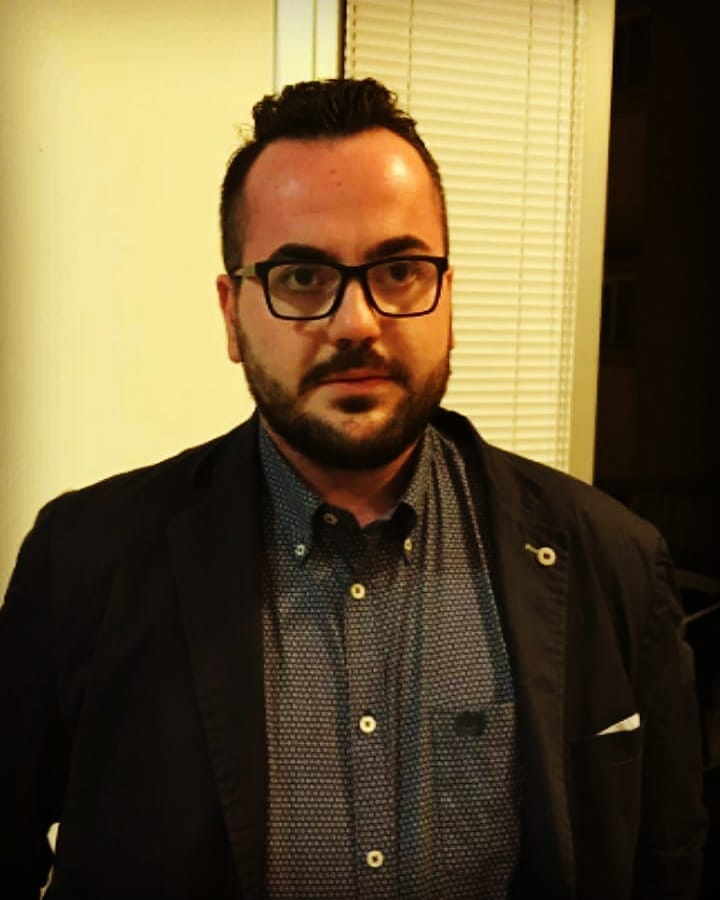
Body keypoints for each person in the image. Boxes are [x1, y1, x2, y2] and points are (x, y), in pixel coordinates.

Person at [0, 77, 707, 900]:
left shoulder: (614, 559)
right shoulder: (83, 562)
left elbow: (669, 861)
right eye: (302, 276)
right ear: (232, 315)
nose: (357, 323)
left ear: (447, 296)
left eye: (400, 270)